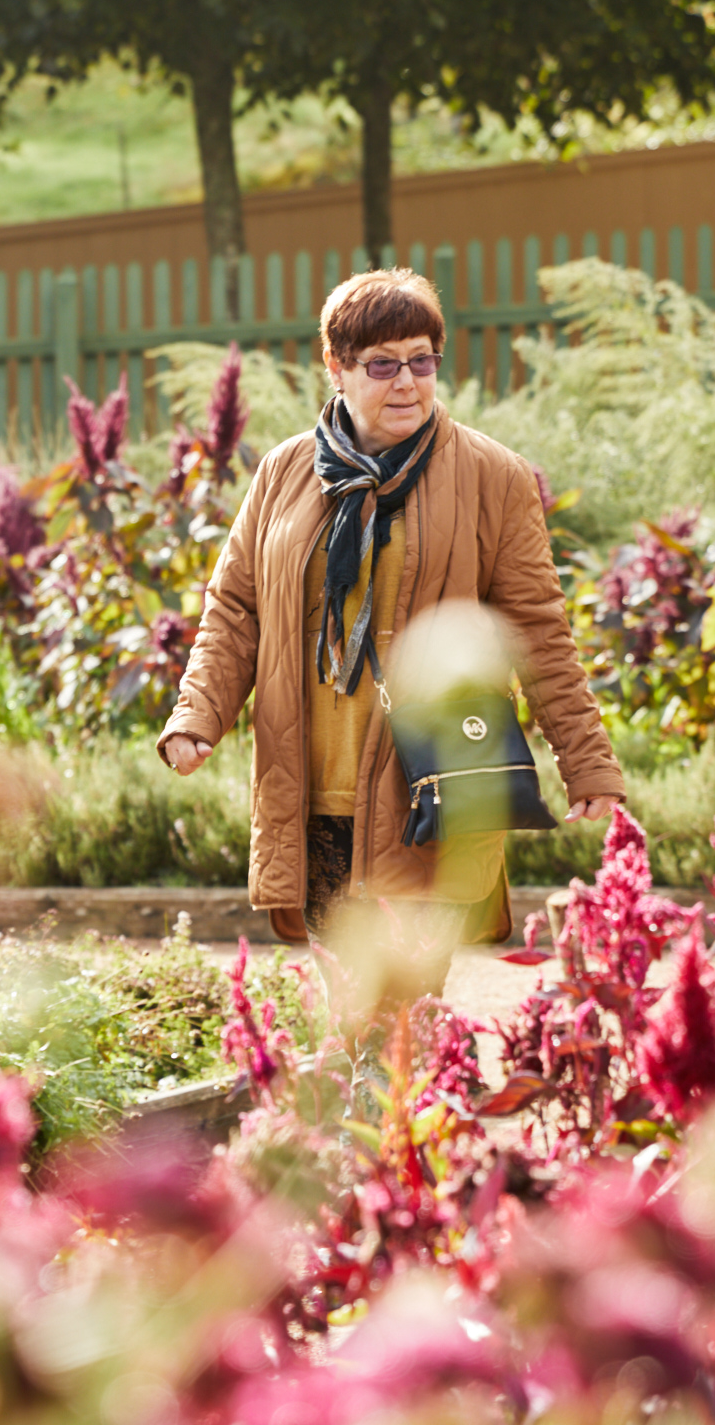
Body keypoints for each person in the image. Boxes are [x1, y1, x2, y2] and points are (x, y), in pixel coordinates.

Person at [158, 267, 626, 945]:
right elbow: (236, 609)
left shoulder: (493, 477)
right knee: (350, 1013)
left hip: (431, 791)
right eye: (382, 365)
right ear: (336, 367)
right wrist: (198, 713)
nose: (406, 381)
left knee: (403, 1017)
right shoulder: (283, 474)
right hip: (313, 794)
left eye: (421, 360)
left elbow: (537, 631)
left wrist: (586, 764)